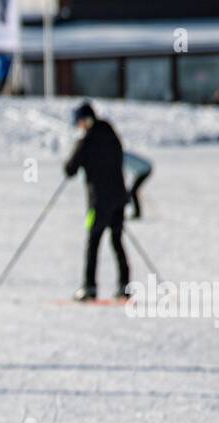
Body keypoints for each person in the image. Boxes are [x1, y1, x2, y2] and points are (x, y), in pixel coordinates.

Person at [64, 101, 130, 301]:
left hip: (98, 202)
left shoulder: (86, 141)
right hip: (119, 198)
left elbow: (70, 169)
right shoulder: (112, 134)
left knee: (93, 242)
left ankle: (89, 287)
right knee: (117, 240)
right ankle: (124, 286)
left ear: (85, 120)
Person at [122, 150, 152, 219]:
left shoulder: (121, 157)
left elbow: (123, 175)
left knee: (133, 192)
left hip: (145, 170)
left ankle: (137, 214)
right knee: (133, 191)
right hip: (142, 170)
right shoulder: (123, 155)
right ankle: (137, 213)